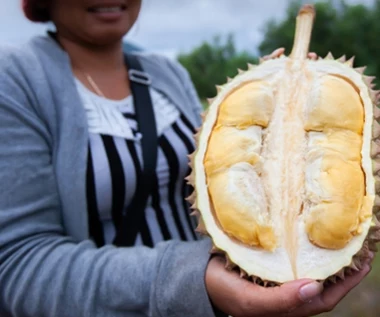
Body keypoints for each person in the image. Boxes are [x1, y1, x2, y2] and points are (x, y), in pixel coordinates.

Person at [0, 1, 372, 316]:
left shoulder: (166, 74)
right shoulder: (15, 79)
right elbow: (19, 264)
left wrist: (281, 100)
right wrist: (192, 281)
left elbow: (215, 172)